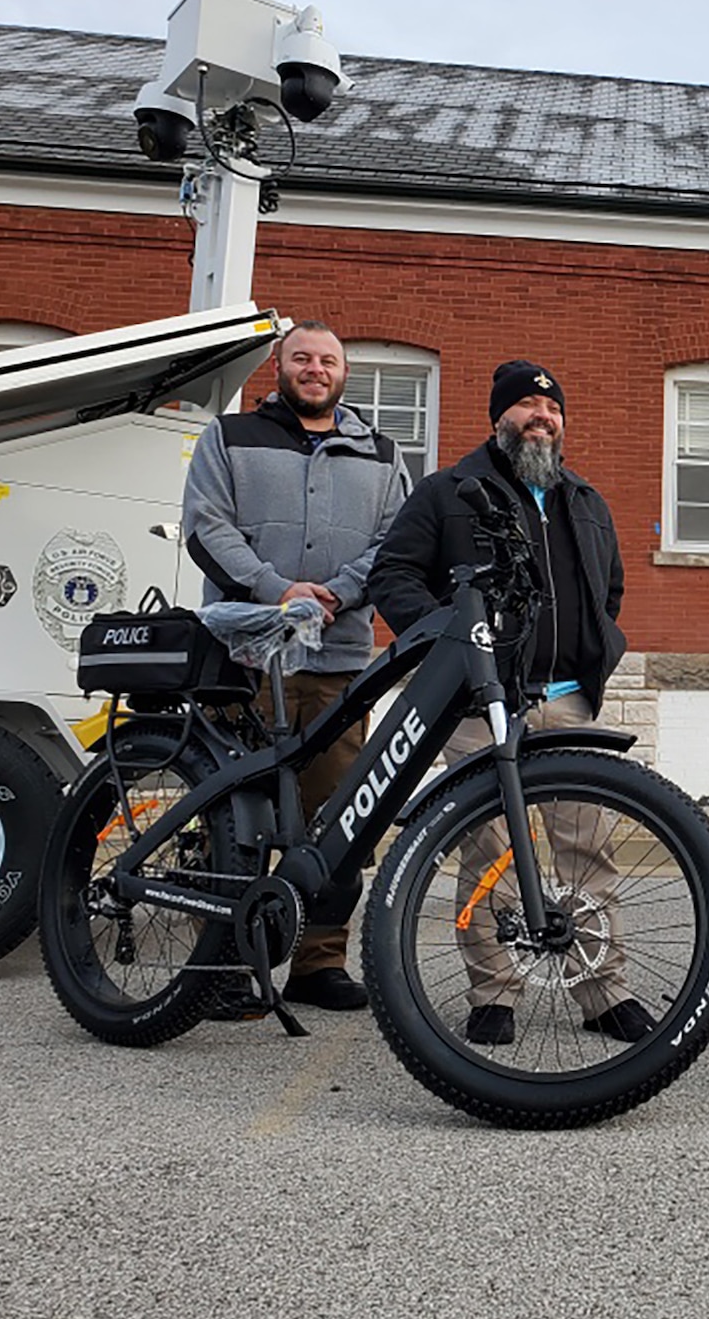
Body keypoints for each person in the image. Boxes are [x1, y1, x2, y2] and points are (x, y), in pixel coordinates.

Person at [367, 359, 647, 1047]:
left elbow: (607, 590)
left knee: (590, 854)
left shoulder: (585, 499)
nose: (540, 418)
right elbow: (392, 576)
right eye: (525, 407)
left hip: (569, 704)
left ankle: (602, 990)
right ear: (498, 419)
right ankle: (494, 993)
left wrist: (596, 647)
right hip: (478, 709)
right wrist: (450, 643)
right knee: (488, 853)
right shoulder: (448, 493)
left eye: (551, 409)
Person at [182, 319, 411, 1012]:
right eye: (302, 358)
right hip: (244, 662)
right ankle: (221, 968)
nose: (315, 369)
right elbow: (205, 527)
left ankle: (317, 963)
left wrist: (338, 593)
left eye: (329, 360)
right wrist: (275, 590)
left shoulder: (381, 452)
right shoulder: (228, 439)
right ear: (278, 368)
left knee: (337, 819)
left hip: (337, 664)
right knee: (232, 819)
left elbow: (395, 541)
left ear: (345, 373)